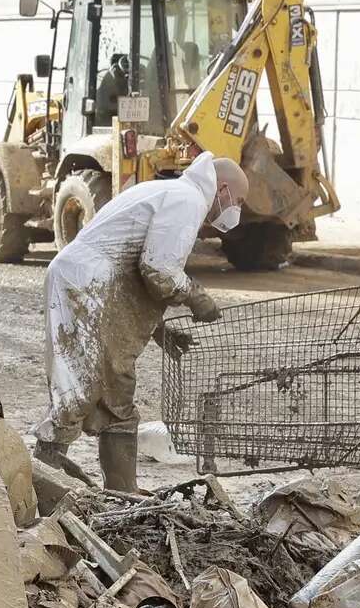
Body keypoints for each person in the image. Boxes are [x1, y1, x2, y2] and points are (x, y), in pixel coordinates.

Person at [34, 152, 248, 491]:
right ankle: (36, 477)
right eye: (239, 200)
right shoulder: (188, 200)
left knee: (117, 392)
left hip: (94, 286)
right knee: (79, 391)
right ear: (222, 189)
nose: (238, 208)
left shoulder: (169, 192)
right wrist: (196, 296)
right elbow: (157, 269)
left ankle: (122, 492)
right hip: (86, 287)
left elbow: (136, 268)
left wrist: (159, 331)